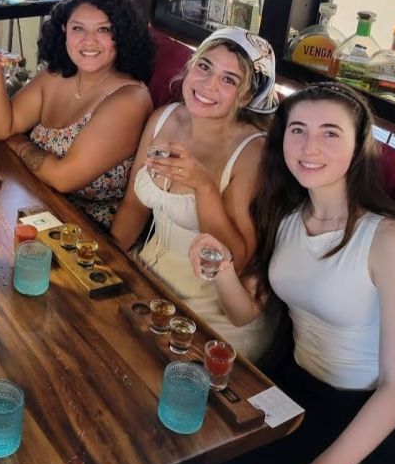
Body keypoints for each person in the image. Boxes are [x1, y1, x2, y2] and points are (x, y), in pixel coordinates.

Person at [123, 82, 395, 464]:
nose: (309, 147)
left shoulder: (390, 238)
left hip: (367, 429)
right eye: (297, 131)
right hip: (292, 396)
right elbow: (243, 308)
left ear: (359, 144)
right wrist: (220, 266)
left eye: (329, 133)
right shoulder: (287, 218)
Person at [110, 28, 278, 362]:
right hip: (150, 283)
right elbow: (133, 208)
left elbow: (238, 258)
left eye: (229, 80)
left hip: (211, 316)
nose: (208, 85)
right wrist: (106, 263)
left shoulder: (252, 154)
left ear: (246, 97)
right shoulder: (164, 118)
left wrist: (204, 186)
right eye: (205, 67)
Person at [0, 0, 154, 229]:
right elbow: (1, 128)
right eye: (78, 28)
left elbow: (63, 178)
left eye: (103, 30)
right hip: (33, 203)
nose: (89, 41)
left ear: (121, 35)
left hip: (84, 233)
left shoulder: (130, 100)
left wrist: (17, 141)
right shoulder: (57, 75)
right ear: (64, 31)